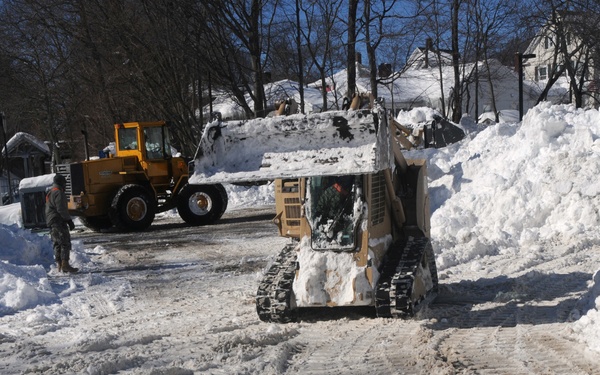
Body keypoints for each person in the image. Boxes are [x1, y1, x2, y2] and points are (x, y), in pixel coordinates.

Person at [45, 174, 78, 273]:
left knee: (57, 243)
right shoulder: (58, 193)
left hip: (51, 220)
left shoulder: (51, 192)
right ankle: (65, 265)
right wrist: (69, 220)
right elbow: (61, 209)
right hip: (57, 220)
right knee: (64, 241)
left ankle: (59, 265)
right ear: (61, 183)